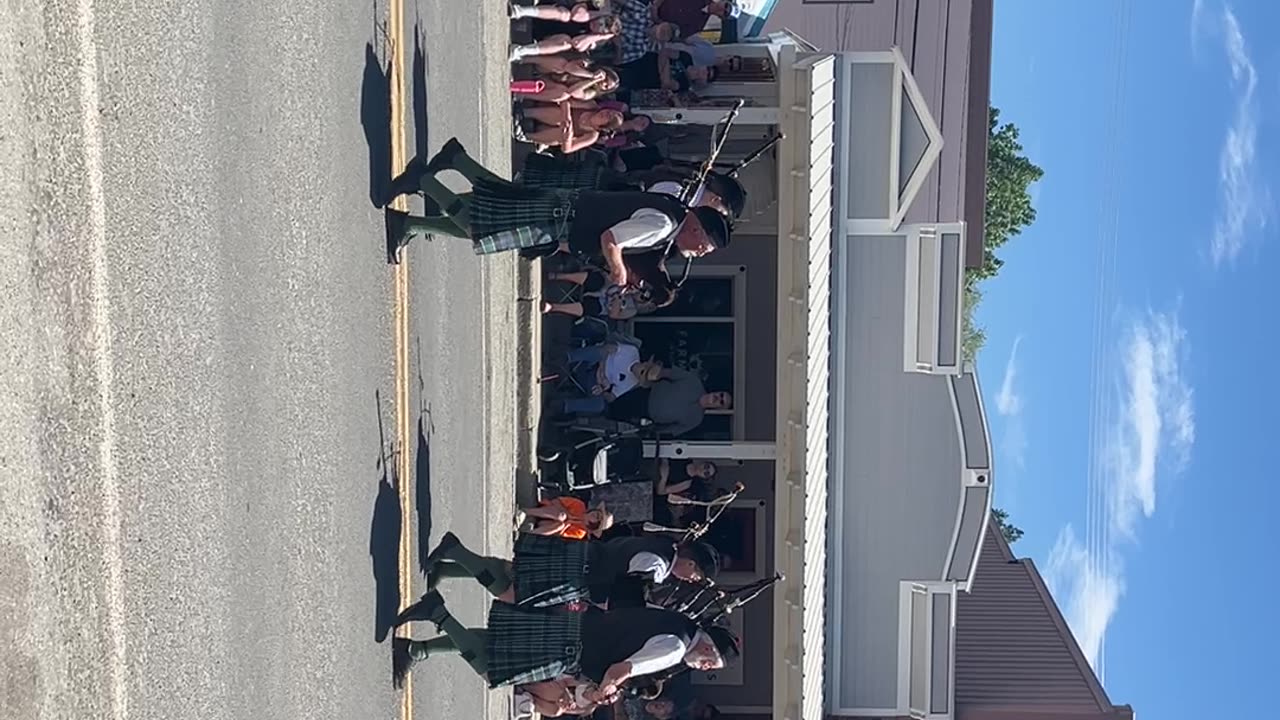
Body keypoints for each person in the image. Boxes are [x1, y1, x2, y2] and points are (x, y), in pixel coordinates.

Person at [382, 138, 731, 267]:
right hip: (560, 215)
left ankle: (419, 210)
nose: (700, 253)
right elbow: (612, 239)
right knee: (479, 225)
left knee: (490, 205)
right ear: (698, 228)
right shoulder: (664, 223)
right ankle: (423, 180)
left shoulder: (672, 216)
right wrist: (619, 270)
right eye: (705, 246)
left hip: (565, 213)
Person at [392, 594, 741, 690]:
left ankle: (418, 649)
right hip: (573, 650)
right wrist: (606, 690)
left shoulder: (679, 622)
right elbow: (622, 669)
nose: (705, 667)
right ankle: (437, 613)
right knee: (493, 668)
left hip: (578, 628)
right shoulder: (676, 648)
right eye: (711, 663)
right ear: (709, 649)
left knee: (497, 642)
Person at [393, 531, 721, 612]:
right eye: (696, 575)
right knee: (513, 594)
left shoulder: (661, 546)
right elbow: (627, 592)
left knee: (512, 570)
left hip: (583, 560)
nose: (691, 580)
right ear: (692, 564)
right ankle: (454, 550)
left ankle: (450, 567)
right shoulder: (657, 564)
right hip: (581, 572)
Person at [607, 367, 732, 437]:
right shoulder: (694, 381)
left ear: (718, 408)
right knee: (610, 397)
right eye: (721, 395)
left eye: (721, 402)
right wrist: (651, 375)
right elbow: (668, 373)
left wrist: (650, 430)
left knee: (610, 415)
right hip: (643, 392)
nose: (718, 398)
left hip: (644, 417)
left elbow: (671, 430)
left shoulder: (696, 420)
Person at [517, 496, 615, 540]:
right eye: (598, 514)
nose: (595, 516)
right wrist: (566, 515)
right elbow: (556, 501)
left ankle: (528, 535)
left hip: (548, 527)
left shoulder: (580, 533)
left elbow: (560, 535)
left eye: (597, 520)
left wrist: (566, 524)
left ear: (594, 525)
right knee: (561, 516)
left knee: (560, 525)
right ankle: (526, 512)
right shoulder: (579, 505)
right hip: (547, 510)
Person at [650, 0, 741, 40]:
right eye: (726, 6)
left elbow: (674, 34)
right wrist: (656, 4)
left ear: (722, 18)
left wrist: (657, 21)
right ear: (723, 1)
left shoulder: (698, 26)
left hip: (652, 23)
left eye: (725, 13)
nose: (722, 9)